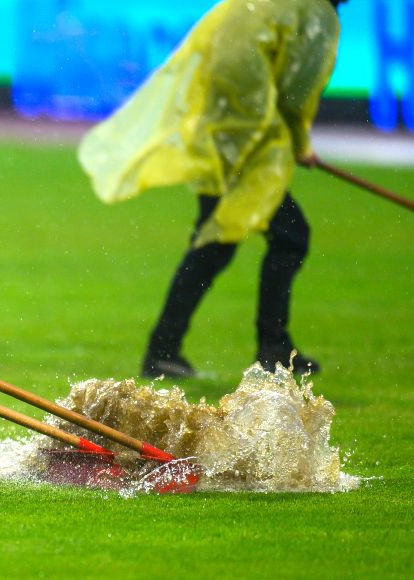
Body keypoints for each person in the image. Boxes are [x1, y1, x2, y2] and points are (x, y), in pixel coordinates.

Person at [78, 0, 346, 379]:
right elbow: (296, 90)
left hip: (217, 133)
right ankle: (270, 349)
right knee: (286, 236)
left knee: (215, 244)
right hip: (243, 137)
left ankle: (167, 349)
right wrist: (301, 145)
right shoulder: (317, 13)